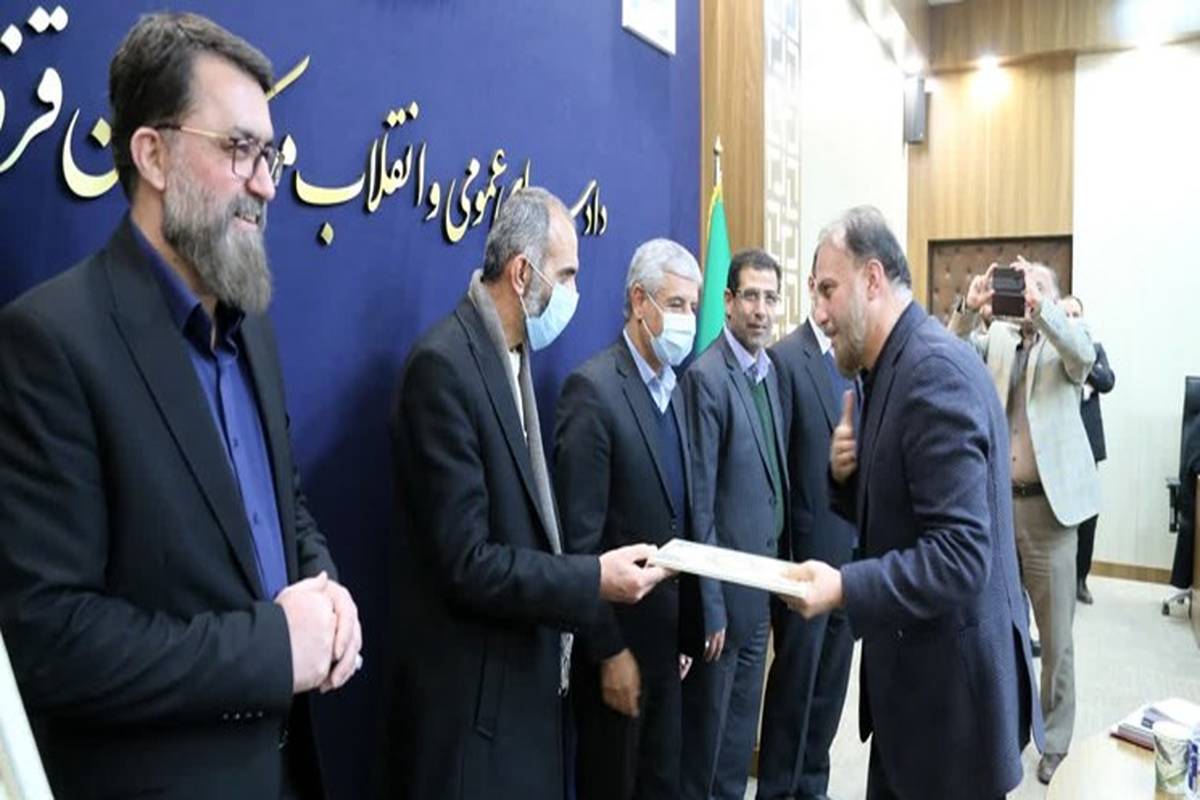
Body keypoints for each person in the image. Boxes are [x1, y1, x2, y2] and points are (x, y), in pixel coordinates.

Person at [0, 13, 362, 799]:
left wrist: (326, 595)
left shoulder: (252, 329)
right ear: (152, 154)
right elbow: (53, 639)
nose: (266, 184)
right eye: (239, 149)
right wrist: (274, 649)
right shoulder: (51, 342)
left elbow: (285, 509)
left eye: (269, 155)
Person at [385, 186, 670, 799]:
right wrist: (593, 579)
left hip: (524, 699)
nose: (574, 293)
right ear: (522, 274)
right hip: (474, 717)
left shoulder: (510, 357)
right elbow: (467, 563)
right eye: (565, 276)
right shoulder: (444, 366)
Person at [782, 206, 1041, 800]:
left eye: (828, 290)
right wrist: (845, 476)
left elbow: (960, 556)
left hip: (953, 713)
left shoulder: (931, 372)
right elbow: (904, 510)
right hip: (917, 693)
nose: (818, 313)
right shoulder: (886, 368)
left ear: (872, 279)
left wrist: (844, 588)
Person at [553, 238, 707, 800]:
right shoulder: (592, 391)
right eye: (677, 304)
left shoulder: (677, 389)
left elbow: (679, 512)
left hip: (667, 650)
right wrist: (609, 652)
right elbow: (580, 546)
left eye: (693, 307)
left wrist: (685, 630)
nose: (688, 320)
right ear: (640, 301)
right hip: (615, 657)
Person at [948, 258, 1098, 784]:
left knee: (1055, 640)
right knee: (999, 628)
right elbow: (949, 355)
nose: (1024, 292)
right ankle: (1004, 729)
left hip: (1050, 514)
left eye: (1034, 283)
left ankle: (1055, 741)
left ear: (1050, 295)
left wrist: (1045, 309)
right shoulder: (999, 340)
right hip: (997, 508)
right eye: (1020, 284)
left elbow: (1084, 357)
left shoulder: (1067, 335)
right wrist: (970, 308)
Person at [681, 249, 790, 800]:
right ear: (727, 301)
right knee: (705, 750)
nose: (761, 310)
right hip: (722, 606)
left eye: (771, 298)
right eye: (750, 296)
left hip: (760, 595)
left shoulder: (769, 374)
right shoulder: (707, 377)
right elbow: (699, 501)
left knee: (737, 745)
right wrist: (711, 605)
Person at [757, 269, 856, 800]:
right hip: (803, 565)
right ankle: (777, 791)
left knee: (829, 693)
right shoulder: (785, 358)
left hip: (852, 561)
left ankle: (813, 789)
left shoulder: (855, 356)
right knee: (794, 695)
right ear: (816, 285)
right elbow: (780, 472)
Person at [1060, 294, 1115, 604]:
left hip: (1088, 444)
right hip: (1059, 444)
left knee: (1088, 516)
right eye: (1066, 314)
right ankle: (1062, 578)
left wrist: (1084, 361)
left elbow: (1107, 381)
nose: (1072, 320)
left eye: (1076, 314)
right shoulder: (1052, 350)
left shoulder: (1095, 350)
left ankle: (1081, 578)